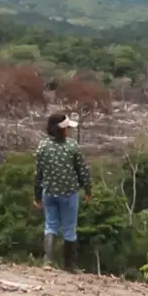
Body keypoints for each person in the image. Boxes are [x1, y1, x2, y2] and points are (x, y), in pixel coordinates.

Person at [33, 113, 92, 273]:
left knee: (50, 225)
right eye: (67, 127)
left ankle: (48, 261)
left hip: (49, 193)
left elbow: (38, 174)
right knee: (69, 229)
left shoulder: (42, 146)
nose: (69, 130)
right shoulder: (72, 147)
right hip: (68, 193)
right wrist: (88, 189)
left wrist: (37, 196)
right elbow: (83, 171)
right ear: (62, 129)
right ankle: (69, 265)